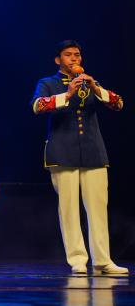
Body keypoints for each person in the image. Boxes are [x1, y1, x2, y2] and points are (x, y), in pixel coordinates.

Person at [32, 40, 126, 275]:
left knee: (98, 208)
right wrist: (68, 94)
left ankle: (103, 260)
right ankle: (77, 259)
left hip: (93, 151)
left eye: (77, 54)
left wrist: (95, 88)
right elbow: (37, 106)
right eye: (68, 55)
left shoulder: (91, 82)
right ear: (58, 60)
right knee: (69, 209)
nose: (74, 58)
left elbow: (119, 103)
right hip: (62, 152)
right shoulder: (48, 83)